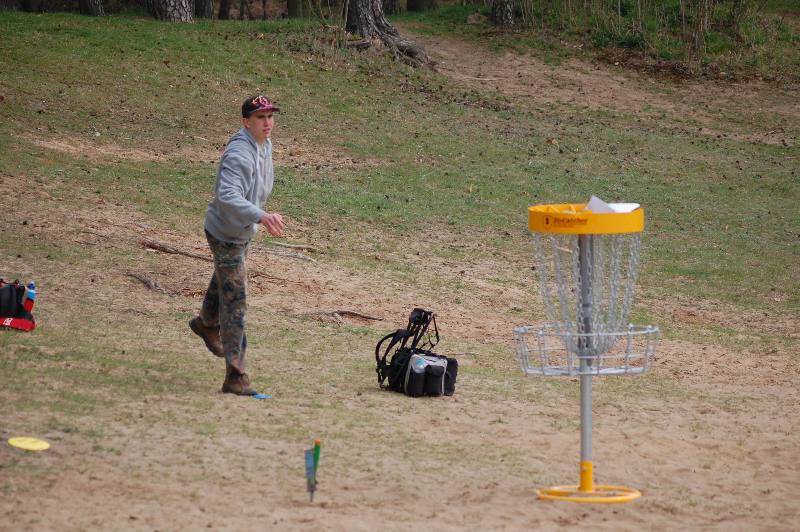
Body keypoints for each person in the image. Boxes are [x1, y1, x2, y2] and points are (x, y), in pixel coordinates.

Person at [189, 95, 284, 396]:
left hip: (241, 231)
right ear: (246, 122)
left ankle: (206, 323)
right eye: (260, 117)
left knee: (227, 281)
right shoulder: (239, 153)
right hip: (225, 234)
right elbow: (227, 195)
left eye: (270, 116)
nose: (267, 123)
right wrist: (261, 215)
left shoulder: (264, 144)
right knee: (236, 300)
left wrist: (256, 218)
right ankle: (236, 375)